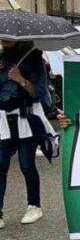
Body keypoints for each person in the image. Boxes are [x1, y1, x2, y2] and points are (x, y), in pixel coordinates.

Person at [0, 39, 55, 229]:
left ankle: (34, 205)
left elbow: (39, 93)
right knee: (1, 164)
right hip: (2, 119)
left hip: (25, 118)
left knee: (26, 164)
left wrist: (20, 79)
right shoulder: (1, 58)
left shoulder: (33, 58)